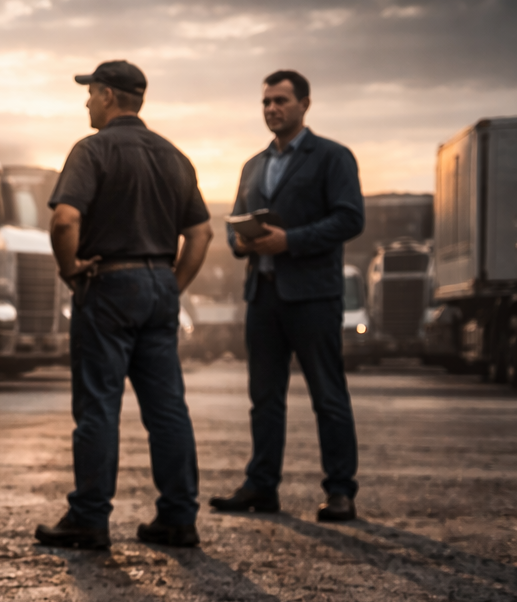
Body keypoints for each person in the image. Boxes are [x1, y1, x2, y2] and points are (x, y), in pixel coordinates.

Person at [34, 60, 214, 551]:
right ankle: (178, 518)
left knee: (98, 405)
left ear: (109, 95)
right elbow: (201, 233)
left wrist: (70, 270)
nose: (87, 102)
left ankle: (89, 518)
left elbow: (64, 221)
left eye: (91, 92)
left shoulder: (92, 150)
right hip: (159, 287)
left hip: (109, 286)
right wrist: (172, 285)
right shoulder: (174, 157)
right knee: (167, 408)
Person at [210, 70, 364, 522]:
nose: (272, 108)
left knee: (328, 396)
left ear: (304, 104)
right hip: (263, 295)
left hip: (313, 297)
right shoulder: (253, 165)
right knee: (264, 398)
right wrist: (240, 241)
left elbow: (350, 219)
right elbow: (234, 221)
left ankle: (340, 491)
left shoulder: (332, 157)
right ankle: (261, 486)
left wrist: (290, 241)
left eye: (280, 100)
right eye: (266, 102)